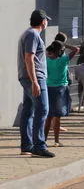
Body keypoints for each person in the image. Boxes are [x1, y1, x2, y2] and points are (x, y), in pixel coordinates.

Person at [18, 9, 54, 158]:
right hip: (34, 78)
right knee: (42, 109)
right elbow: (29, 58)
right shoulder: (33, 34)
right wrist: (35, 82)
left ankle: (27, 146)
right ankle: (39, 145)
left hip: (29, 78)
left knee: (28, 111)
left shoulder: (28, 33)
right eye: (46, 20)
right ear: (43, 21)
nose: (47, 23)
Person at [44, 39, 78, 147]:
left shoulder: (46, 60)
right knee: (57, 116)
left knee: (48, 116)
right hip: (60, 89)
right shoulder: (63, 60)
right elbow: (76, 49)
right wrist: (65, 44)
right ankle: (56, 140)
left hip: (48, 87)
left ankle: (43, 140)